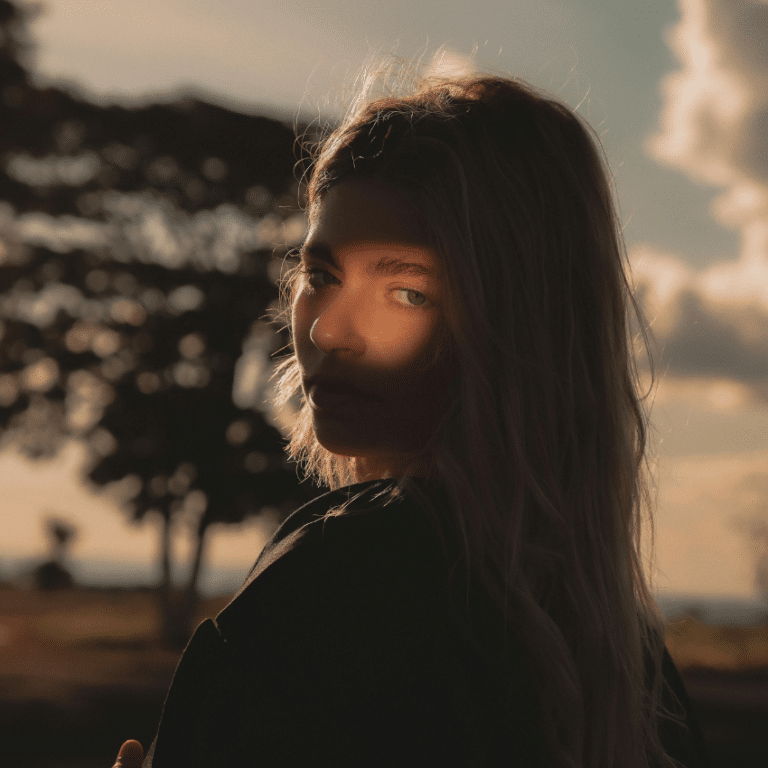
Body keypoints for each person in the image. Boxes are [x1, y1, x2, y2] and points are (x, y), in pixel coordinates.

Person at [114, 52, 712, 767]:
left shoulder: (341, 582)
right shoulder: (622, 660)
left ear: (510, 327)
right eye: (320, 274)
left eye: (406, 292)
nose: (327, 331)